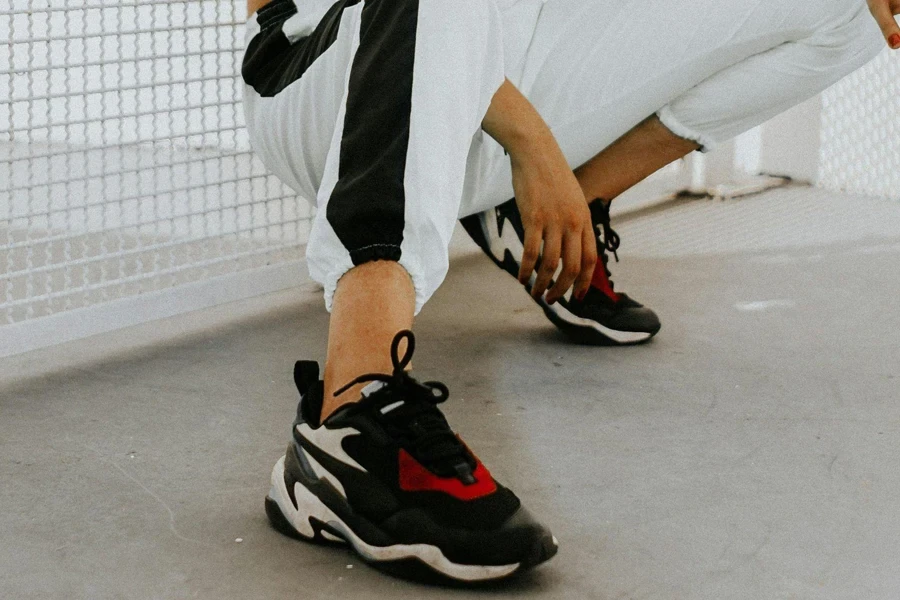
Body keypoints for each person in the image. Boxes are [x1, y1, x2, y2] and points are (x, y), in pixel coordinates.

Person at [242, 0, 897, 582]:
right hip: (330, 71)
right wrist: (533, 144)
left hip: (513, 57)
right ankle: (350, 415)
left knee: (849, 12)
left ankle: (556, 222)